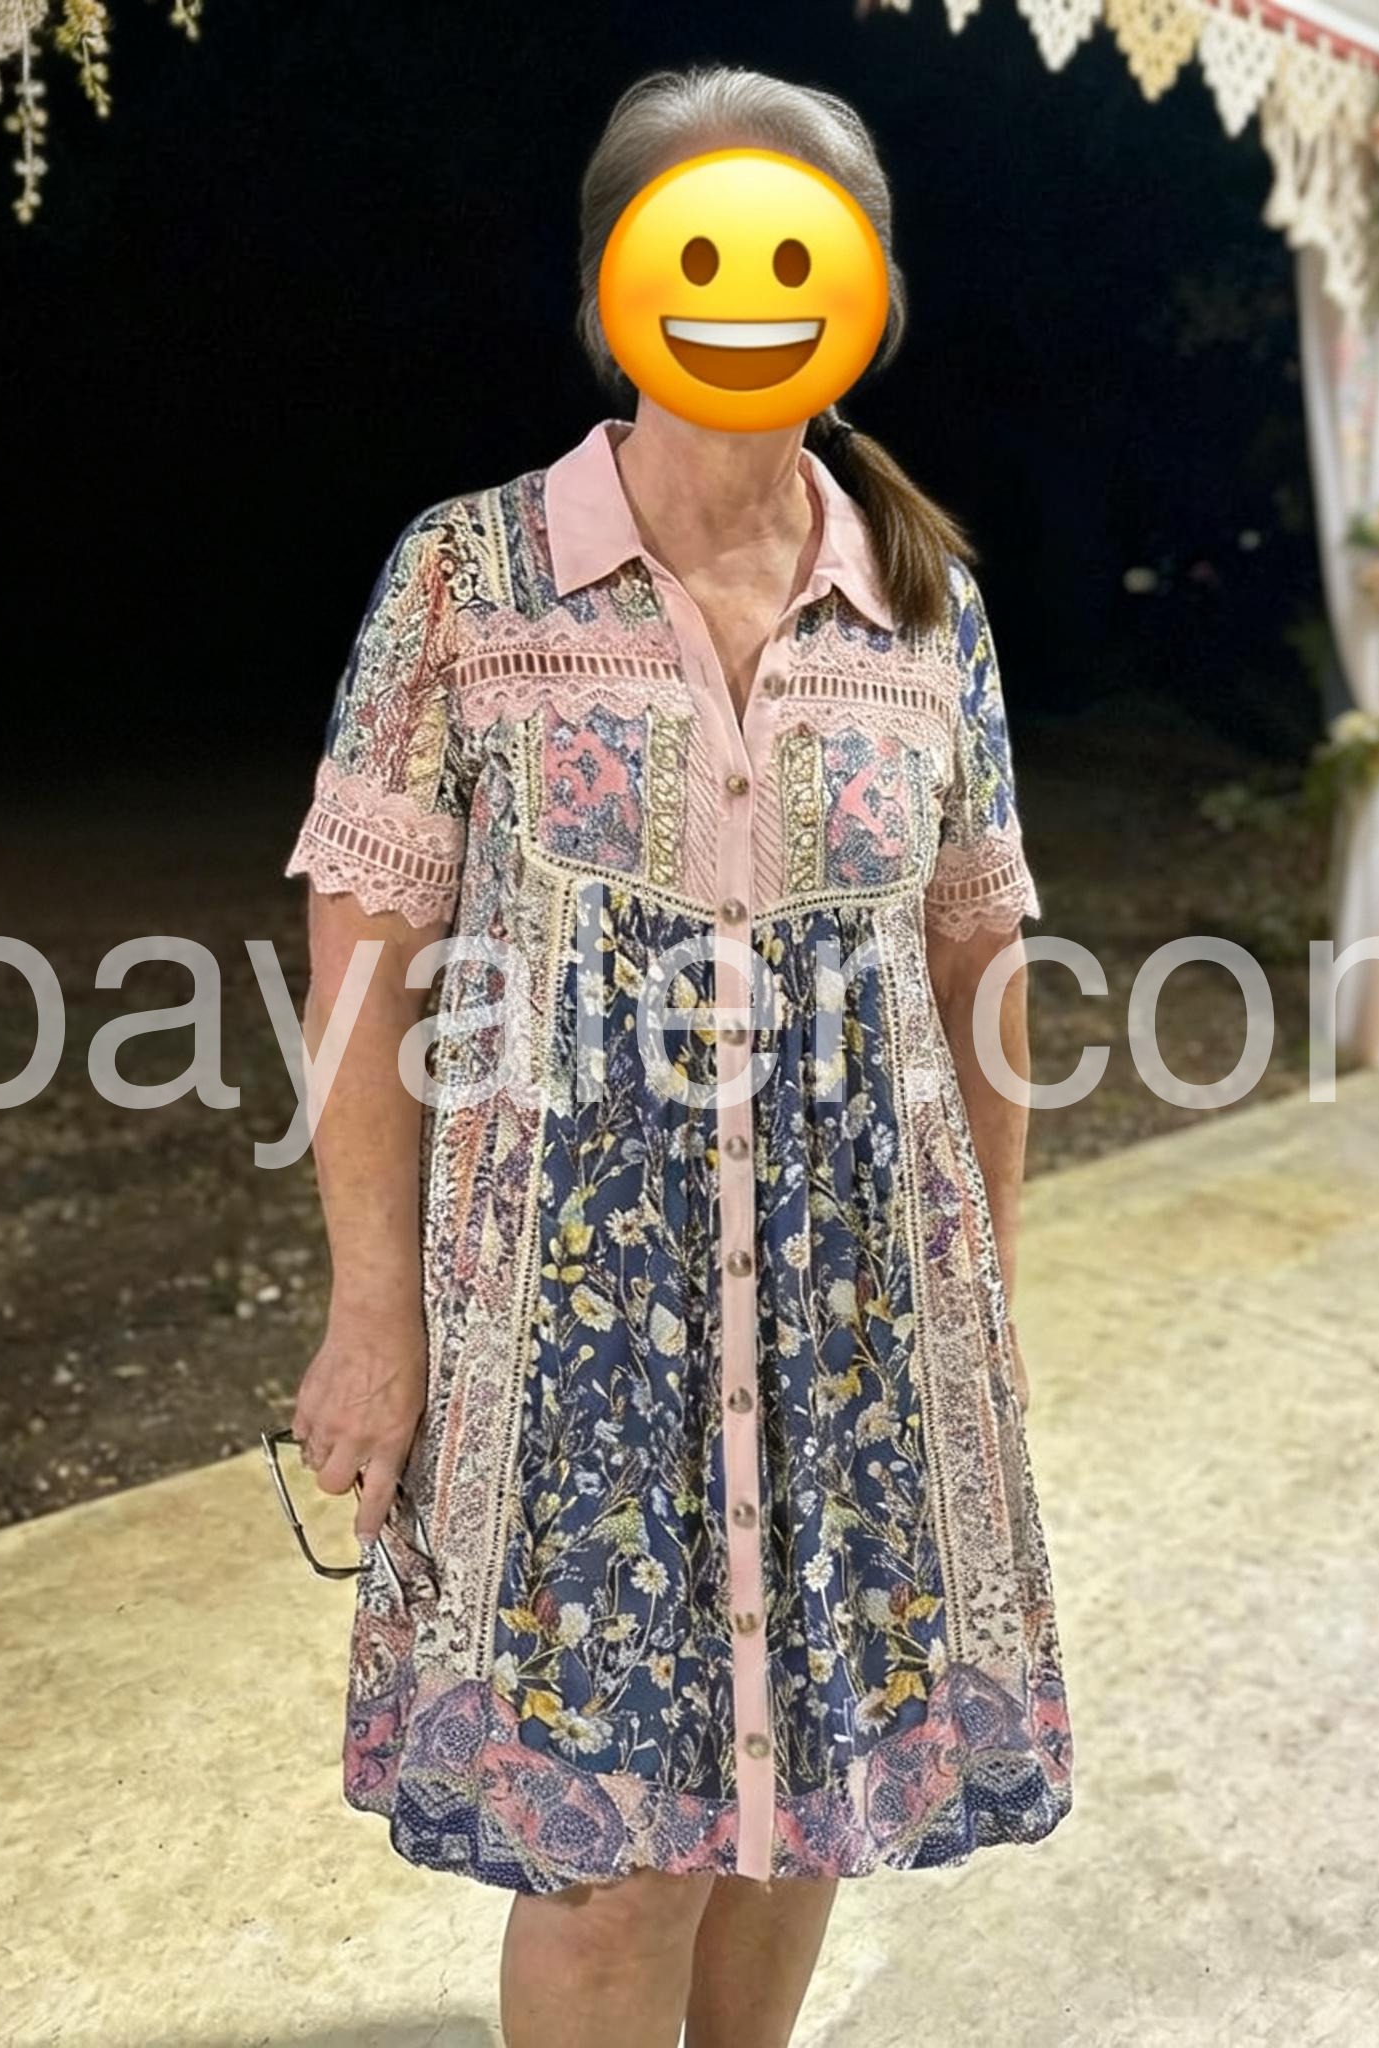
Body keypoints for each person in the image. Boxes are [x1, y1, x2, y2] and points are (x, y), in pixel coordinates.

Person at [286, 64, 1072, 2048]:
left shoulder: (925, 606)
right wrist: (373, 1313)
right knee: (610, 1878)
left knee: (800, 1822)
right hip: (565, 1359)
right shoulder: (468, 580)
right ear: (613, 289)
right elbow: (362, 974)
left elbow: (979, 964)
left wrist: (979, 1295)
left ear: (868, 298)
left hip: (858, 1333)